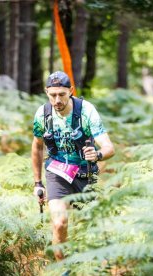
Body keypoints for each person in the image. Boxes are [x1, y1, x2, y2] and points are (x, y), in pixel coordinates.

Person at [31, 71, 115, 261]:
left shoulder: (86, 111)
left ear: (71, 91)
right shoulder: (43, 114)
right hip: (56, 173)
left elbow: (109, 147)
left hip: (85, 173)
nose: (57, 100)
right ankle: (63, 269)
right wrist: (38, 182)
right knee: (59, 223)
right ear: (46, 92)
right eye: (52, 95)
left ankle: (94, 266)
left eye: (62, 94)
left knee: (92, 227)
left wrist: (98, 154)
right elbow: (37, 148)